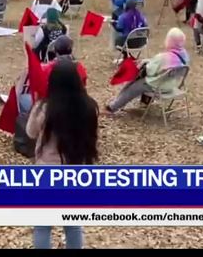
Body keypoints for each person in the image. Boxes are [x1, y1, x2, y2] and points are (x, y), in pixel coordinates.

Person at [27, 60, 98, 249]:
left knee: (43, 227)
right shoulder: (89, 107)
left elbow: (30, 133)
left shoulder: (45, 108)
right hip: (75, 171)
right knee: (73, 225)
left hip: (46, 172)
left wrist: (35, 108)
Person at [105, 28, 189, 113]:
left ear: (170, 41)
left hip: (159, 87)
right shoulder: (185, 55)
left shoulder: (164, 58)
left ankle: (114, 106)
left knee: (134, 85)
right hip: (173, 85)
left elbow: (149, 71)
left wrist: (143, 64)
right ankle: (145, 101)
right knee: (148, 77)